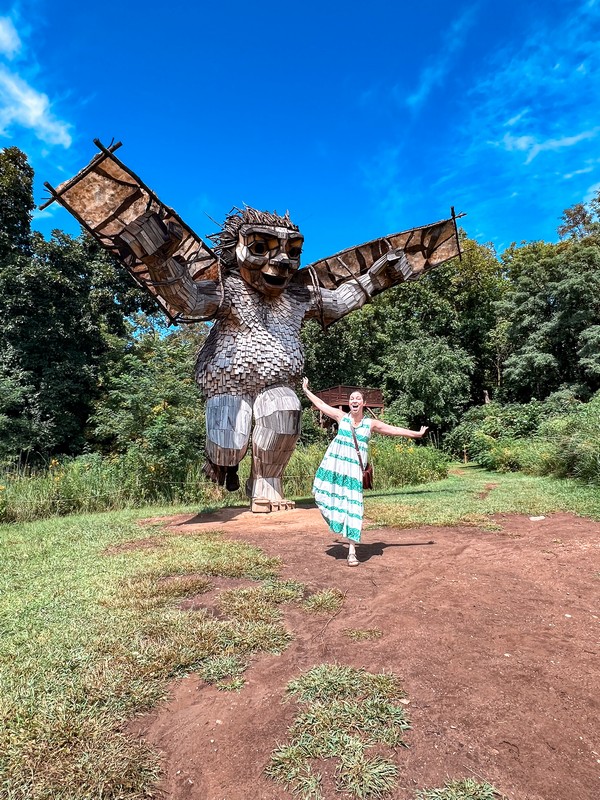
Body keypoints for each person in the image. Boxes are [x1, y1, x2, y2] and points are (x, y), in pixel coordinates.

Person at [302, 378, 428, 566]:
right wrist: (305, 390)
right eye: (351, 398)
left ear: (363, 403)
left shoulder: (370, 424)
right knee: (325, 496)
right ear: (349, 403)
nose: (354, 401)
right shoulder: (341, 417)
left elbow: (393, 430)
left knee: (354, 508)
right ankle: (339, 528)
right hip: (336, 470)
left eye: (358, 398)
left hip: (354, 473)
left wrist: (416, 434)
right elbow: (320, 404)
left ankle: (352, 551)